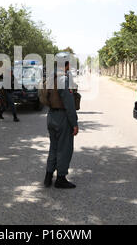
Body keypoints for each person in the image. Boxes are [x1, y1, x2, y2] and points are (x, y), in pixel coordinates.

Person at [44, 56, 79, 189]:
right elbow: (69, 105)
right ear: (67, 64)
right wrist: (74, 123)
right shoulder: (64, 80)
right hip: (62, 117)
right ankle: (60, 179)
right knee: (64, 148)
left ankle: (48, 177)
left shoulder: (50, 78)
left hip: (51, 116)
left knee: (53, 147)